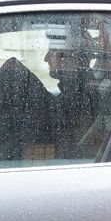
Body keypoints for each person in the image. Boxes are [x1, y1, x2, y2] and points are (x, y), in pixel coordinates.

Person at [45, 27, 99, 157]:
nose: (46, 58)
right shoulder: (79, 90)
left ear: (68, 57)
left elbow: (71, 150)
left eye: (51, 52)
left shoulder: (79, 98)